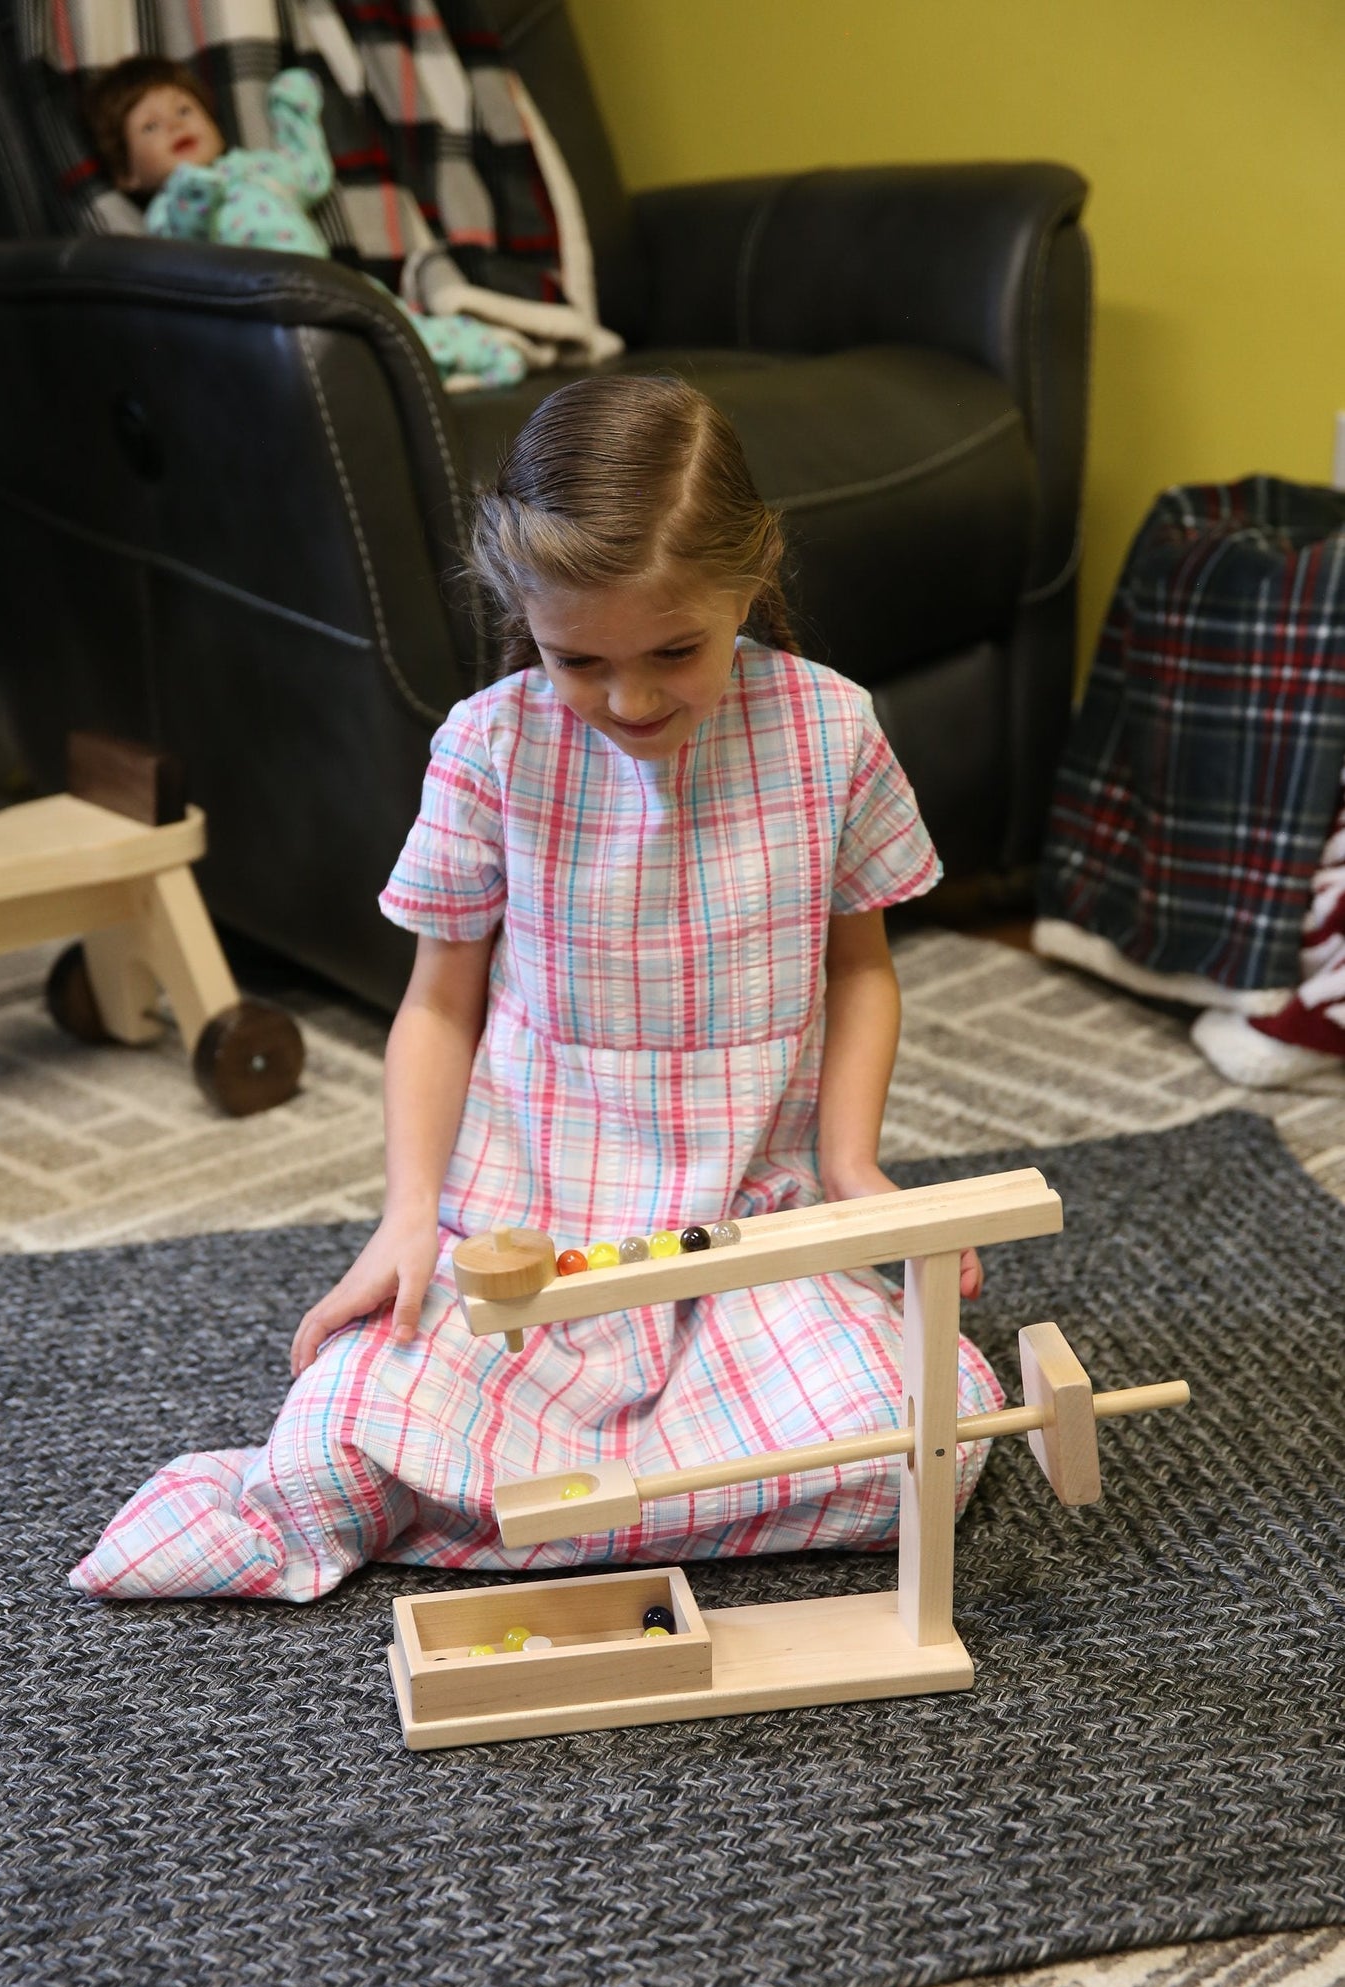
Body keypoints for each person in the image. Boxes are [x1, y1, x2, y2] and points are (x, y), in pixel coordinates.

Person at [71, 374, 1004, 1603]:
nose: (628, 700)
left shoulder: (831, 730)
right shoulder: (488, 744)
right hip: (523, 1232)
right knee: (336, 1434)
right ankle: (613, 1492)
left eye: (676, 650)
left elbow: (860, 969)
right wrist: (410, 1217)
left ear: (748, 579)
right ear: (523, 613)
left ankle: (516, 1510)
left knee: (917, 1442)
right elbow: (437, 1006)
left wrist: (851, 1169)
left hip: (744, 1224)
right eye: (579, 659)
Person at [84, 56, 526, 389]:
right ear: (128, 174)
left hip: (331, 285)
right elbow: (186, 255)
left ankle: (482, 360)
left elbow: (310, 172)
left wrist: (292, 107)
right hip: (261, 316)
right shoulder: (167, 208)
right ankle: (410, 379)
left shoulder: (258, 168)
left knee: (405, 329)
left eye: (184, 110)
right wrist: (192, 191)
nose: (174, 125)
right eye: (150, 127)